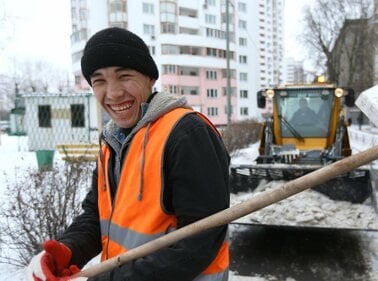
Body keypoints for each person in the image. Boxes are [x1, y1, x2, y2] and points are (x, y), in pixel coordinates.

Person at [25, 27, 230, 281]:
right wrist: (68, 250)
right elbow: (96, 215)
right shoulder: (112, 141)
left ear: (150, 78)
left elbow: (199, 243)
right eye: (99, 80)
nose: (112, 93)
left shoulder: (186, 133)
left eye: (124, 76)